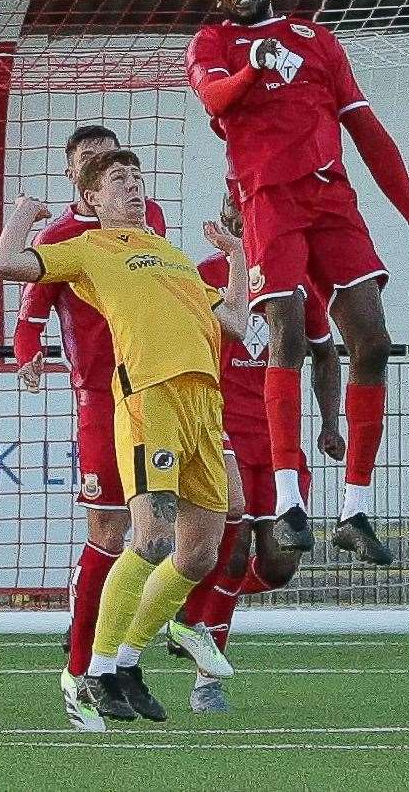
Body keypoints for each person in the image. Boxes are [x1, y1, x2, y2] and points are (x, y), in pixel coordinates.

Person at [186, 0, 409, 564]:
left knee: (373, 341)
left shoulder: (318, 41)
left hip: (332, 201)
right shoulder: (211, 43)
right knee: (287, 333)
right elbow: (216, 100)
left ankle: (355, 509)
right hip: (268, 203)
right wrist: (254, 65)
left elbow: (368, 132)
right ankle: (288, 504)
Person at [0, 148, 250, 726]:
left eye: (137, 179)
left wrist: (235, 258)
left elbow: (234, 324)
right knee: (150, 537)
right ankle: (97, 672)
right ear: (90, 200)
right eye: (117, 182)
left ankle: (129, 658)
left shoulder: (171, 255)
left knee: (202, 550)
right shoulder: (87, 249)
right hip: (149, 399)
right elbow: (7, 265)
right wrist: (23, 216)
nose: (133, 188)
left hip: (204, 403)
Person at [10, 125, 172, 730]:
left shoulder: (146, 220)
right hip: (101, 401)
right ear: (75, 177)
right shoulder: (60, 241)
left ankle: (121, 661)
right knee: (110, 531)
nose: (110, 175)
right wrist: (28, 354)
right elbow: (29, 315)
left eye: (116, 165)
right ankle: (79, 669)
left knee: (165, 534)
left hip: (157, 394)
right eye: (94, 166)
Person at [165, 190, 344, 713]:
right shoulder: (200, 275)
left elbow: (325, 352)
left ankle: (192, 605)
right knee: (233, 546)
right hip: (220, 436)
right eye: (230, 213)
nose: (239, 222)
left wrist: (331, 424)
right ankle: (207, 679)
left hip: (279, 442)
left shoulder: (296, 281)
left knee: (281, 561)